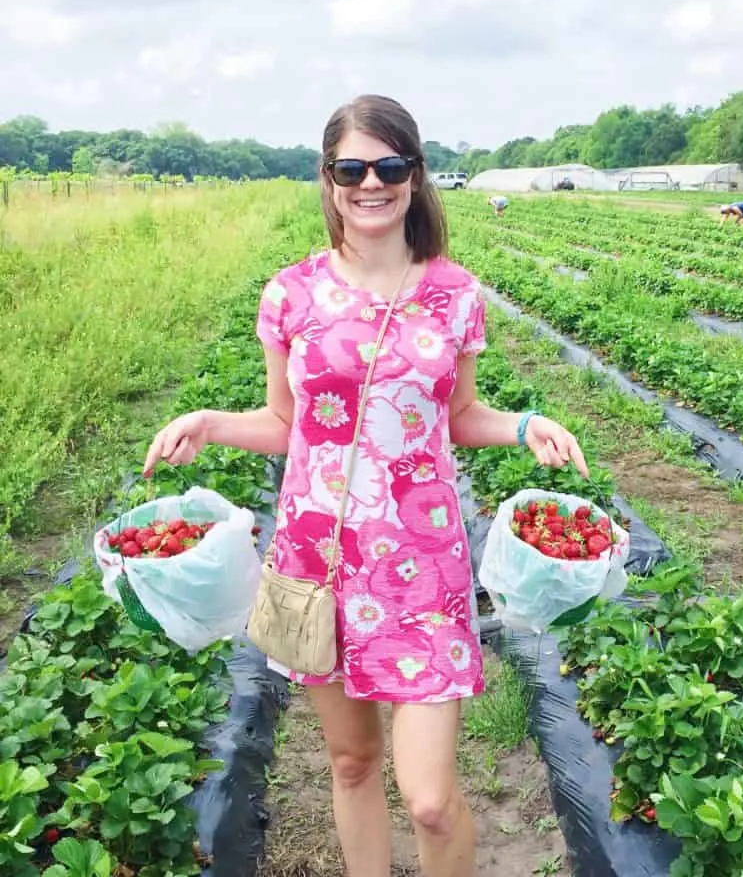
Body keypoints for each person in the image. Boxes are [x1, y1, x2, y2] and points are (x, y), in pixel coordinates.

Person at [141, 94, 588, 877]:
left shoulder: (455, 294)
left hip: (423, 566)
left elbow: (459, 414)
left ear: (415, 176)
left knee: (429, 798)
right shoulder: (293, 294)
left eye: (389, 166)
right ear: (328, 178)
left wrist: (525, 425)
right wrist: (210, 421)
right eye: (352, 167)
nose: (370, 183)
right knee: (350, 766)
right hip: (319, 561)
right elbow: (286, 422)